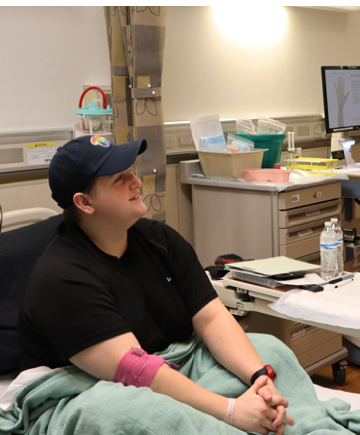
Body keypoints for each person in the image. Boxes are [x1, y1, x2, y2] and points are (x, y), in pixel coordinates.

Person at [20, 136, 295, 434]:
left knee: (270, 350)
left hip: (172, 362)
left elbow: (211, 316)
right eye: (119, 178)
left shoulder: (160, 240)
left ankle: (293, 421)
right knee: (146, 413)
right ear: (85, 202)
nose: (136, 181)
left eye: (131, 171)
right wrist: (230, 411)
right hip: (97, 385)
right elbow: (136, 369)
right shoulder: (62, 277)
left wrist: (259, 377)